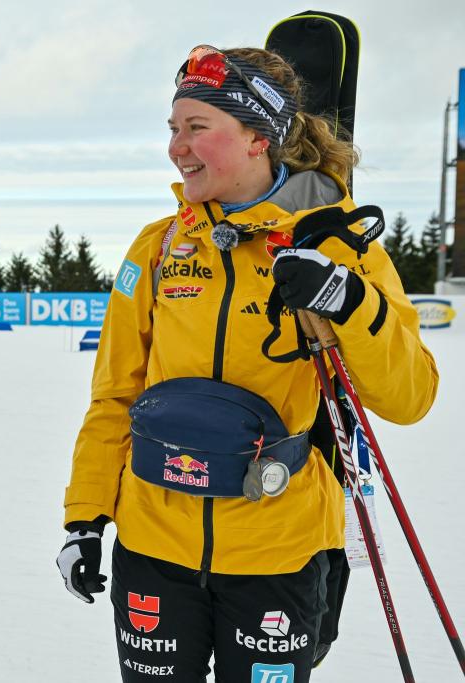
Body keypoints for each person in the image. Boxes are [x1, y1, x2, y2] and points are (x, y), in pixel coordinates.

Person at [56, 45, 438, 682]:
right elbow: (115, 396)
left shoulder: (334, 243)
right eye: (173, 129)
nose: (177, 147)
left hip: (278, 549)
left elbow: (411, 396)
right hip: (154, 544)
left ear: (259, 137)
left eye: (197, 128)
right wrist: (85, 517)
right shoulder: (156, 247)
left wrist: (346, 298)